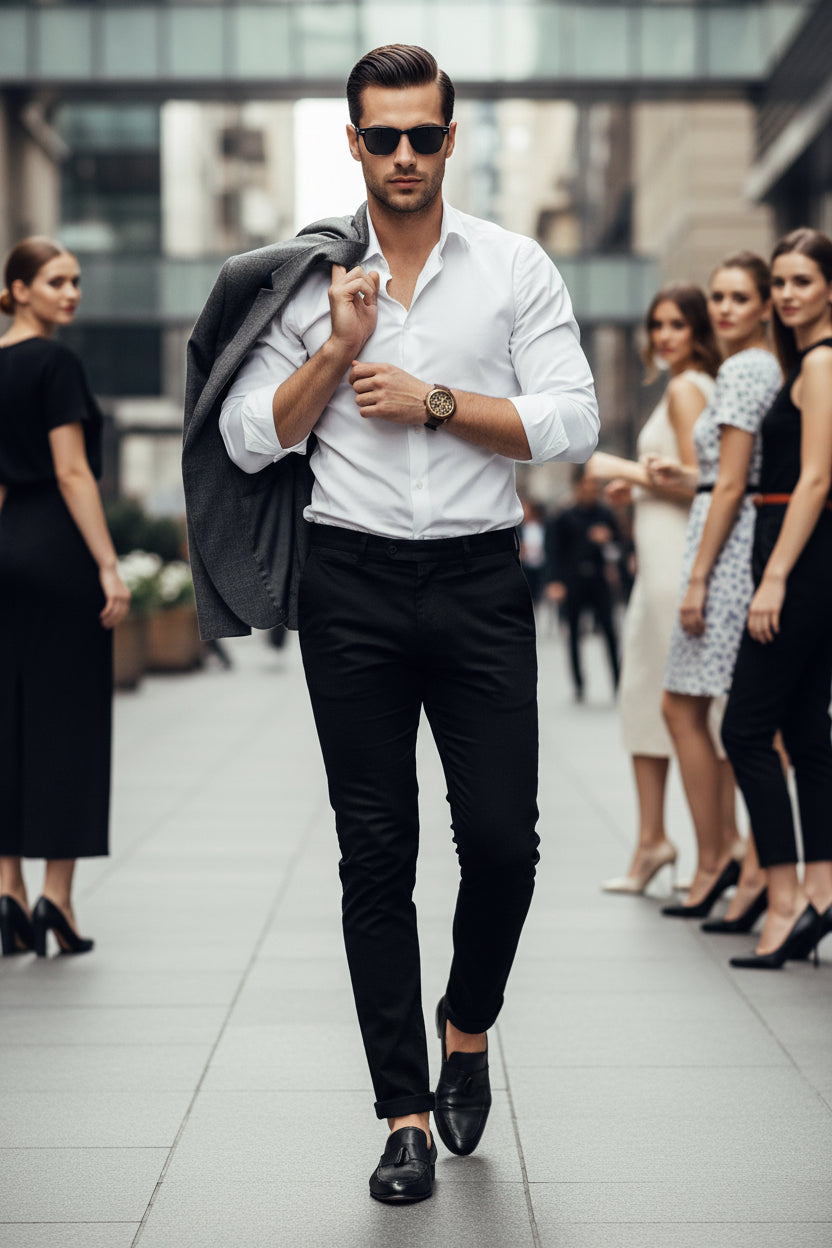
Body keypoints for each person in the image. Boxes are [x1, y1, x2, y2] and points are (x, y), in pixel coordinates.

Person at [182, 45, 598, 1201]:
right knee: (375, 851)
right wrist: (337, 351)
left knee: (503, 846)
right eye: (383, 136)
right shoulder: (305, 282)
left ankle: (468, 1024)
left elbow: (571, 419)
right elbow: (247, 439)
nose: (404, 154)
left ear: (450, 139)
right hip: (351, 585)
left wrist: (438, 403)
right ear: (353, 143)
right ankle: (404, 1113)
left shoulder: (511, 267)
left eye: (423, 134)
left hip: (478, 580)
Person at [0, 237, 130, 958]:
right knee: (67, 723)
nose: (71, 292)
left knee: (7, 719)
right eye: (55, 281)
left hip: (6, 548)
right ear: (18, 289)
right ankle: (58, 896)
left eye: (75, 280)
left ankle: (7, 892)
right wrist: (108, 565)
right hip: (57, 553)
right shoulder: (56, 363)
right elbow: (73, 473)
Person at [647, 254, 782, 925]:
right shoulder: (752, 368)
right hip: (730, 535)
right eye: (719, 297)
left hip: (728, 551)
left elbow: (730, 482)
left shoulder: (746, 368)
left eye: (740, 298)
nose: (725, 309)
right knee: (727, 710)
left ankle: (739, 862)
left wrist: (698, 576)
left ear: (764, 308)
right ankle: (735, 862)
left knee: (706, 709)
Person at [586, 286, 723, 895]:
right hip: (665, 562)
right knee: (654, 702)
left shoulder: (689, 388)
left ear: (698, 332)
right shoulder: (691, 385)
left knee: (668, 705)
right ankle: (659, 842)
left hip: (674, 569)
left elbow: (705, 481)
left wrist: (618, 469)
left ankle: (687, 847)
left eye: (677, 325)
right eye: (657, 325)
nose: (664, 336)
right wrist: (638, 487)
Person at [721, 228, 832, 969]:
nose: (787, 294)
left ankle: (786, 897)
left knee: (745, 729)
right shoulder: (809, 362)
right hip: (804, 553)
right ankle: (821, 891)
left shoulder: (820, 363)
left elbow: (817, 476)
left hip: (800, 555)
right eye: (781, 282)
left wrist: (776, 576)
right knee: (806, 729)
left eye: (802, 281)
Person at [544, 469, 620, 702]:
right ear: (577, 486)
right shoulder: (563, 516)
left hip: (598, 580)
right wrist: (554, 582)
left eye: (594, 485)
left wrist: (608, 539)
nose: (590, 489)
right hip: (572, 581)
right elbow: (553, 551)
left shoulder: (605, 514)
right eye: (586, 484)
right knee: (574, 634)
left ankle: (618, 681)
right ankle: (578, 684)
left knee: (610, 631)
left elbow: (619, 545)